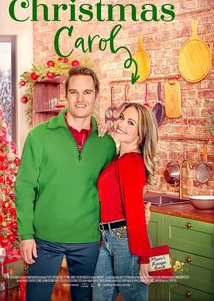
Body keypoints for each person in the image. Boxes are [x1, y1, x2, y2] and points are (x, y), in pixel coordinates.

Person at [15, 66, 151, 301]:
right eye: (74, 92)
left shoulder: (106, 144)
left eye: (87, 92)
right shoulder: (39, 136)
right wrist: (25, 234)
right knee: (35, 297)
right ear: (65, 94)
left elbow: (117, 189)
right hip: (44, 239)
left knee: (87, 298)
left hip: (88, 241)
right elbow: (25, 186)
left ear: (95, 96)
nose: (80, 99)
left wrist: (137, 213)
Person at [93, 102, 158, 301]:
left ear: (140, 134)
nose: (121, 123)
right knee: (100, 296)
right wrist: (100, 128)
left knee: (134, 297)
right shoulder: (118, 159)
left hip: (125, 240)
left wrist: (144, 258)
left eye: (131, 123)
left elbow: (135, 212)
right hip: (109, 237)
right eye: (122, 117)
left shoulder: (130, 162)